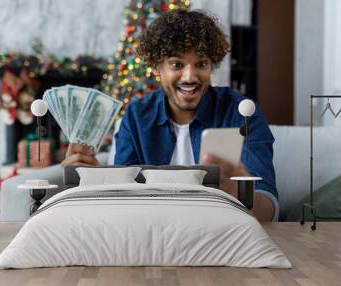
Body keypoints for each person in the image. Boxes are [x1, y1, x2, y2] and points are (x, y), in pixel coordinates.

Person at [62, 9, 278, 221]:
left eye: (201, 64)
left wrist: (242, 197)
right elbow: (124, 200)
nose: (190, 76)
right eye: (177, 64)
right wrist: (95, 181)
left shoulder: (241, 113)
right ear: (158, 68)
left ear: (212, 66)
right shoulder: (137, 116)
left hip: (221, 233)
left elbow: (268, 206)